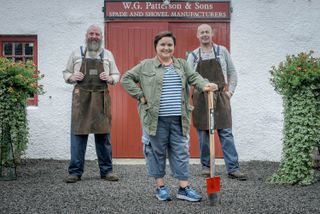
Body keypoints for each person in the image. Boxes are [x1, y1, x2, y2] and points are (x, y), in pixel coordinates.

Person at [121, 31, 218, 202]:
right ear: (156, 47)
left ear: (174, 47)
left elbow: (194, 77)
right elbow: (126, 78)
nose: (166, 48)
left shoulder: (181, 64)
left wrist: (205, 85)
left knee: (181, 152)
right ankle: (160, 187)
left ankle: (183, 188)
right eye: (162, 45)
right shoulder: (146, 65)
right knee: (156, 152)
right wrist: (139, 95)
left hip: (179, 119)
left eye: (169, 45)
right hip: (155, 119)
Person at [187, 24, 247, 181]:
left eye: (207, 32)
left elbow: (232, 73)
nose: (205, 34)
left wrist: (230, 92)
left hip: (220, 97)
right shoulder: (193, 56)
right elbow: (186, 79)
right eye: (202, 32)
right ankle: (206, 167)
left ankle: (233, 168)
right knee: (203, 134)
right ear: (197, 35)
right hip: (200, 99)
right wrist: (187, 101)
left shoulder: (222, 51)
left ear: (212, 34)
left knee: (226, 133)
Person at [62, 24, 120, 183]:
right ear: (86, 36)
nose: (94, 36)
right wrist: (73, 77)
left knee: (103, 136)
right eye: (91, 34)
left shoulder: (107, 54)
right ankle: (75, 172)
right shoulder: (76, 53)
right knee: (78, 136)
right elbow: (66, 73)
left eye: (97, 34)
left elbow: (116, 74)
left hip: (101, 99)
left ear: (101, 37)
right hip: (81, 99)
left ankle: (107, 171)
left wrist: (110, 79)